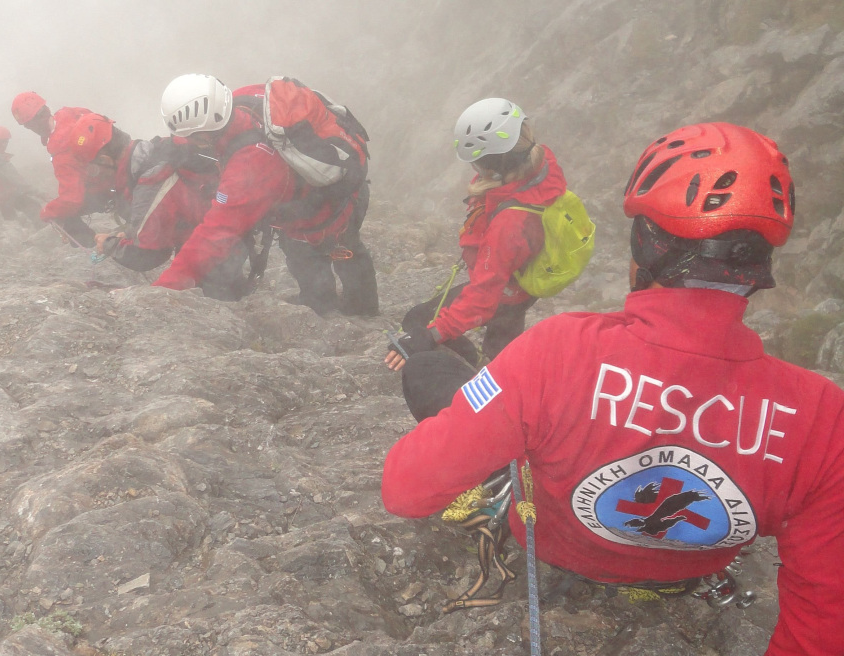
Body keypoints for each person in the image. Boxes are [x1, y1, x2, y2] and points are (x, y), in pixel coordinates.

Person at [381, 122, 844, 656]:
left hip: (556, 548)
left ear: (643, 244)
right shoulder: (822, 416)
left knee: (428, 373)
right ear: (757, 267)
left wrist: (494, 410)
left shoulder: (556, 351)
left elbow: (405, 489)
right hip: (686, 574)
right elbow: (825, 613)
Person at [151, 74, 379, 316]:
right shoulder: (241, 99)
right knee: (309, 254)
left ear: (207, 133)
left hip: (328, 209)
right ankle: (327, 305)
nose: (190, 142)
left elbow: (216, 234)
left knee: (334, 254)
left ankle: (358, 314)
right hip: (329, 189)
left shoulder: (252, 162)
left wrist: (162, 289)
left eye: (194, 137)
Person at [384, 98, 566, 377]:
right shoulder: (538, 162)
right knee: (503, 345)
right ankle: (502, 373)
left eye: (477, 163)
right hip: (519, 284)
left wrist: (431, 336)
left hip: (505, 291)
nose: (474, 170)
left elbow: (483, 298)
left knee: (419, 321)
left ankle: (482, 381)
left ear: (494, 164)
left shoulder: (510, 222)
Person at [58, 112, 246, 300]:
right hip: (224, 241)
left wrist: (110, 244)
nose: (94, 177)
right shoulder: (154, 152)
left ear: (106, 160)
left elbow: (148, 254)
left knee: (217, 305)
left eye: (92, 169)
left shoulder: (151, 180)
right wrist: (131, 233)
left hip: (215, 253)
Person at [11, 91, 100, 247]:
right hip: (118, 168)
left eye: (27, 126)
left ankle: (99, 247)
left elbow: (71, 199)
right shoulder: (72, 113)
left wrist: (48, 212)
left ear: (33, 124)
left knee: (63, 215)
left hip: (110, 185)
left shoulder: (60, 148)